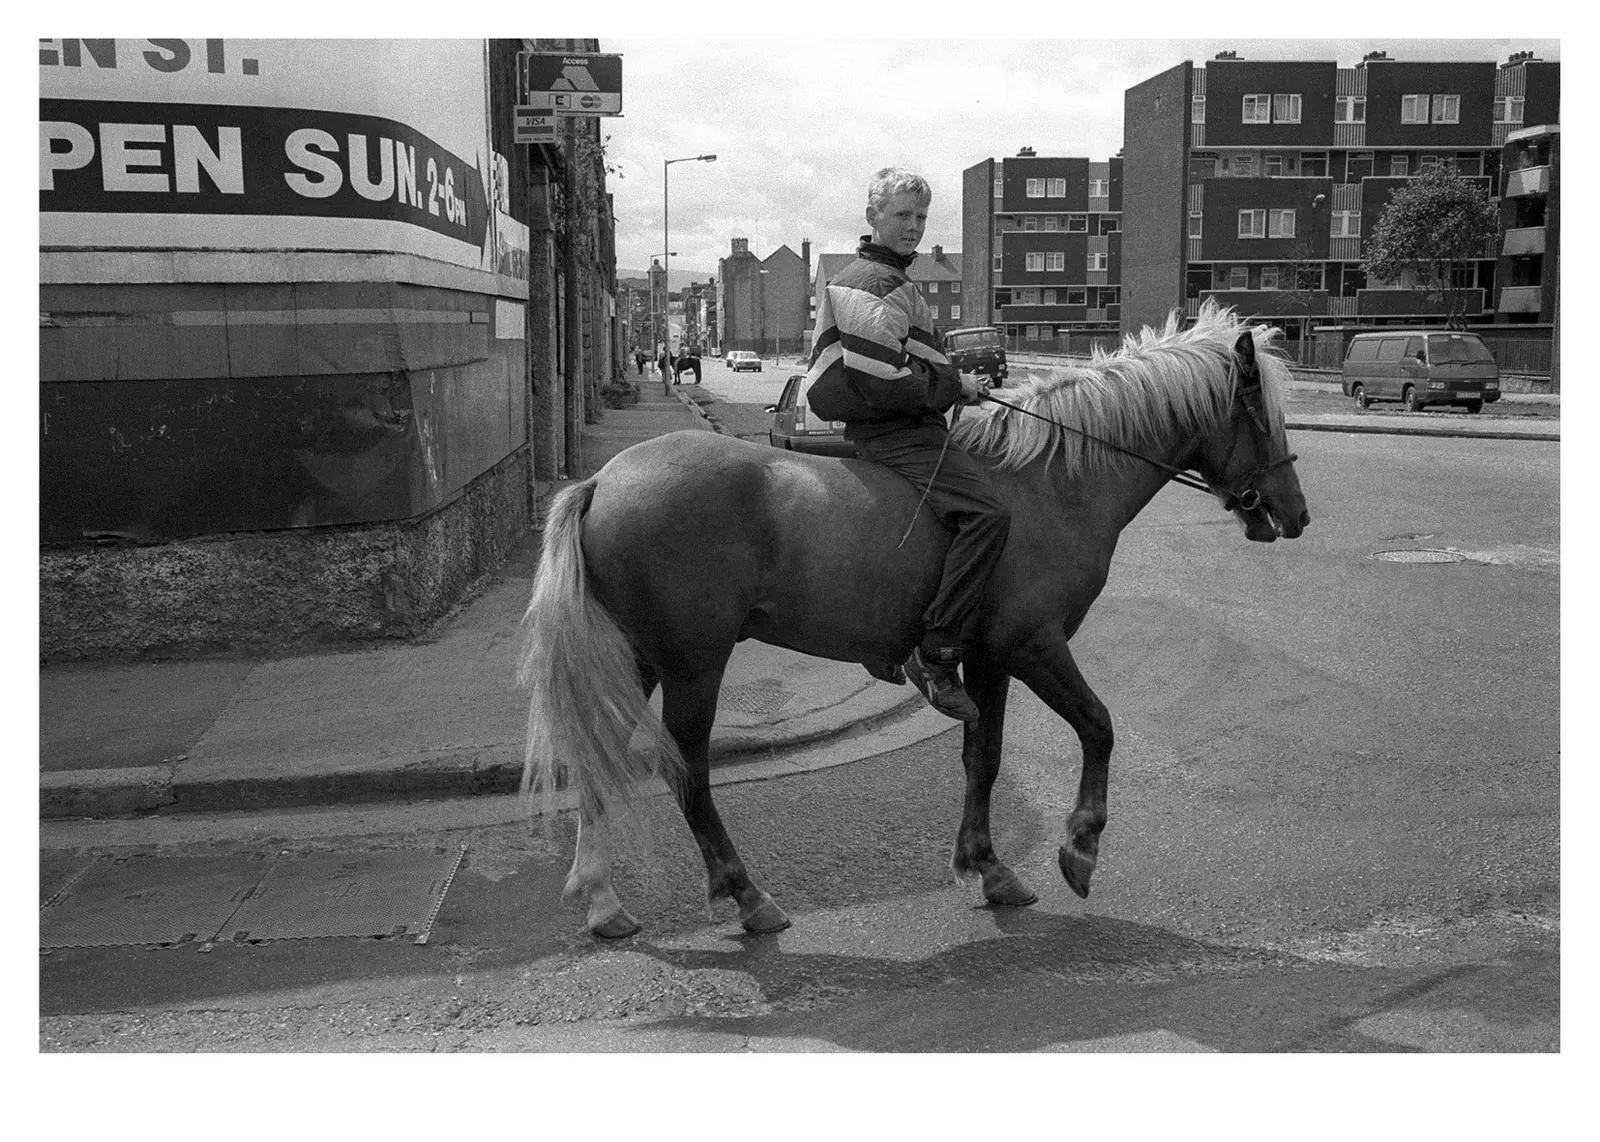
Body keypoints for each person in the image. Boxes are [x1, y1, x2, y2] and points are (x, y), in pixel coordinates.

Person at [804, 167, 1010, 723]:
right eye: (902, 216)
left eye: (920, 217)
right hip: (894, 429)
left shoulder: (892, 278)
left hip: (903, 421)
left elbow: (908, 362)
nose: (914, 227)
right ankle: (937, 650)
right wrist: (955, 385)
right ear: (872, 217)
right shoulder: (871, 282)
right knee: (988, 514)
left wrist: (957, 384)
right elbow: (882, 379)